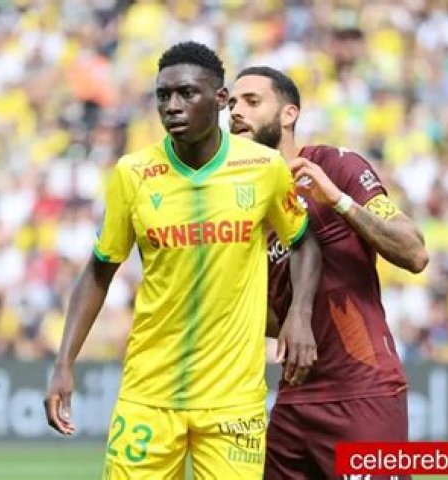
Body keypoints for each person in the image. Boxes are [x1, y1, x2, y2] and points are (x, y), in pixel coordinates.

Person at [44, 42, 320, 479]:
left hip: (233, 400)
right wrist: (63, 363)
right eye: (163, 95)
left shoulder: (264, 168)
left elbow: (304, 242)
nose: (172, 106)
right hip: (148, 395)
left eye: (187, 93)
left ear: (221, 99)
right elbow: (98, 272)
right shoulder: (133, 174)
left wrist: (299, 315)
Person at [229, 66, 429, 480]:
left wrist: (338, 200)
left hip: (362, 391)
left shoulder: (335, 166)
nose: (235, 111)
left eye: (251, 101)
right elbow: (272, 315)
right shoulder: (241, 204)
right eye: (231, 103)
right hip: (294, 398)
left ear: (289, 114)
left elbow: (414, 252)